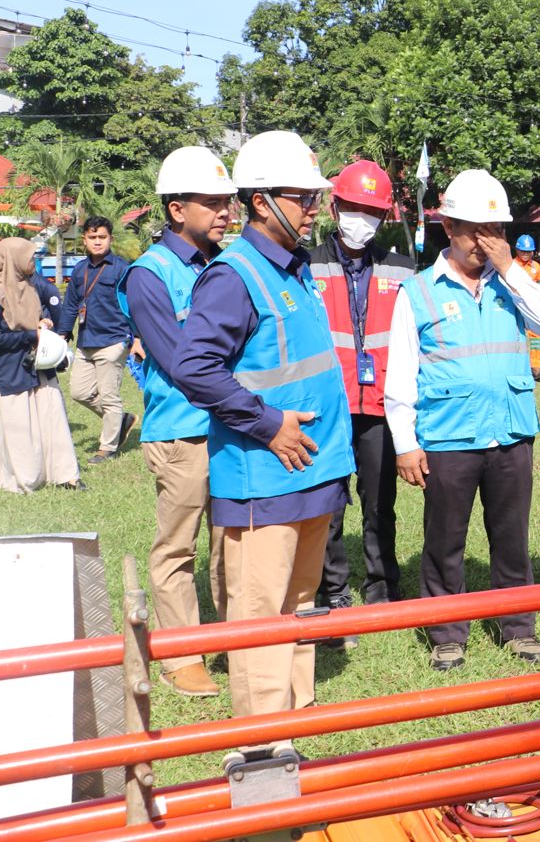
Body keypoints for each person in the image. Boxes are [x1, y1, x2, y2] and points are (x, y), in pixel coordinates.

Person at [175, 130, 353, 725]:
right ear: (260, 201)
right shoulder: (234, 275)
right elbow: (193, 367)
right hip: (261, 479)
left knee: (300, 603)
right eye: (302, 197)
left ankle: (295, 714)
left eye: (314, 197)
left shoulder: (295, 269)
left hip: (312, 472)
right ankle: (259, 739)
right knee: (259, 614)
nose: (314, 209)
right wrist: (269, 423)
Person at [387, 169, 540, 671]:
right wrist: (404, 443)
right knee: (444, 540)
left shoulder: (514, 284)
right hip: (447, 435)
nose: (485, 241)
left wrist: (513, 272)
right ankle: (446, 632)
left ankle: (518, 626)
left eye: (495, 230)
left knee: (511, 536)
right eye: (475, 230)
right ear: (449, 226)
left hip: (509, 430)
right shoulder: (418, 291)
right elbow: (400, 374)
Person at [117, 147, 236, 697]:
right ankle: (182, 653)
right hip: (182, 430)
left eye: (227, 202)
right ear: (175, 209)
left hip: (231, 425)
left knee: (231, 539)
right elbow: (178, 360)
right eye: (211, 203)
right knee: (178, 545)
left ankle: (240, 639)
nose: (225, 213)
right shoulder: (150, 274)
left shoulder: (221, 266)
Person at [312, 160, 416, 637]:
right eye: (353, 207)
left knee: (379, 503)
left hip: (379, 406)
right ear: (335, 207)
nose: (361, 218)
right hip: (326, 407)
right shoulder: (305, 263)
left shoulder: (402, 269)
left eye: (371, 210)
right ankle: (332, 589)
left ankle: (382, 587)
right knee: (328, 506)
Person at [0, 238, 82, 493]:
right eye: (30, 257)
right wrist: (32, 335)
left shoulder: (29, 286)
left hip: (38, 363)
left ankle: (65, 475)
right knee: (20, 425)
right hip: (9, 367)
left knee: (52, 416)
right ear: (14, 259)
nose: (34, 261)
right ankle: (26, 479)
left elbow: (29, 320)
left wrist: (41, 323)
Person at [57, 216, 136, 463]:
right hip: (86, 340)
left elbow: (135, 305)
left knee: (109, 395)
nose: (98, 242)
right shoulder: (80, 269)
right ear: (85, 240)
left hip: (113, 340)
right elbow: (70, 305)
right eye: (93, 237)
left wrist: (137, 338)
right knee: (79, 393)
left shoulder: (122, 268)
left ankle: (107, 448)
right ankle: (120, 419)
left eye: (102, 237)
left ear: (110, 239)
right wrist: (62, 334)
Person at [515, 234, 540, 382]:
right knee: (516, 336)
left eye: (528, 251)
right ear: (517, 250)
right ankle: (518, 367)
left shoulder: (536, 267)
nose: (525, 254)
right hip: (516, 305)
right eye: (522, 251)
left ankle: (536, 368)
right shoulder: (512, 266)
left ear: (533, 252)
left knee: (536, 337)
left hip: (532, 307)